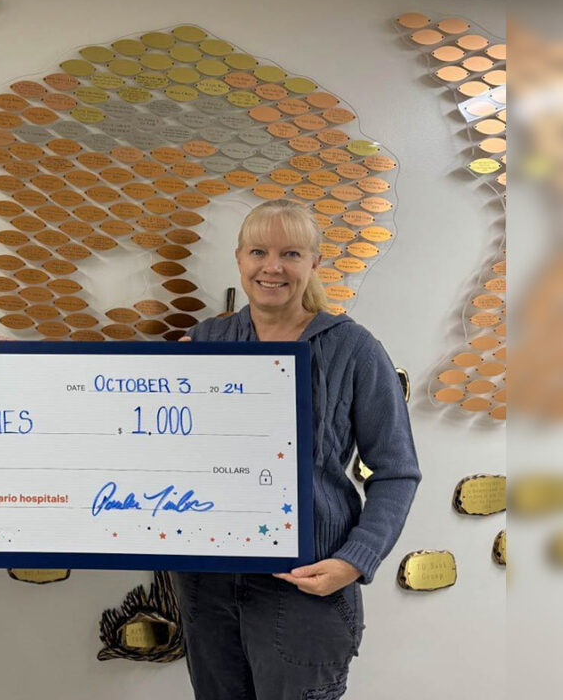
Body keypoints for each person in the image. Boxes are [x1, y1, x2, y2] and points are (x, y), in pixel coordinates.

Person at [173, 199, 420, 700]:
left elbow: (396, 471)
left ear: (314, 262)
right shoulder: (203, 341)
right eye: (258, 252)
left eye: (290, 253)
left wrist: (355, 560)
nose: (272, 267)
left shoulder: (354, 349)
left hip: (306, 584)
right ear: (239, 258)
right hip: (207, 585)